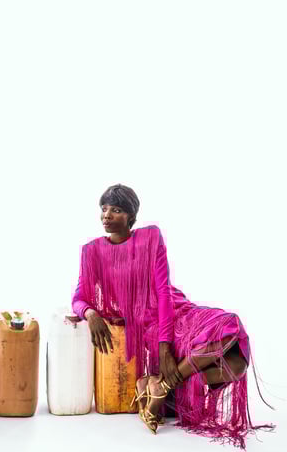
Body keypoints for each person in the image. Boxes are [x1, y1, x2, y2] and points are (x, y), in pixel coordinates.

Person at [71, 184, 272, 448]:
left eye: (116, 210)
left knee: (236, 358)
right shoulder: (92, 251)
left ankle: (160, 384)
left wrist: (165, 348)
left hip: (176, 313)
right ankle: (164, 387)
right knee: (227, 356)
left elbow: (163, 292)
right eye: (104, 209)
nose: (107, 215)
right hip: (147, 325)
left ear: (130, 217)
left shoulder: (151, 237)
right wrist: (90, 313)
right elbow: (78, 297)